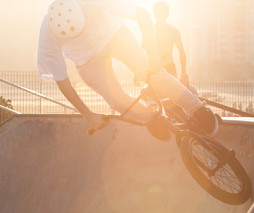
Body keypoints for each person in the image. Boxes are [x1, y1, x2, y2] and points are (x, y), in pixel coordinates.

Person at [37, 0, 218, 136]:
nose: (84, 36)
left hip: (114, 36)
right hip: (87, 59)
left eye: (83, 30)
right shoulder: (48, 33)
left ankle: (198, 110)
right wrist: (87, 114)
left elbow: (142, 15)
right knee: (116, 100)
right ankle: (153, 118)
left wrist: (153, 55)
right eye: (77, 36)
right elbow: (62, 80)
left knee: (153, 74)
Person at [152, 1, 189, 87]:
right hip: (154, 69)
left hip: (169, 68)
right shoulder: (150, 30)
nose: (158, 14)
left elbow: (181, 52)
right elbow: (144, 51)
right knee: (154, 98)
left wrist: (183, 73)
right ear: (154, 13)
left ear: (166, 13)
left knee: (172, 98)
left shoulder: (173, 31)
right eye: (157, 12)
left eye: (161, 12)